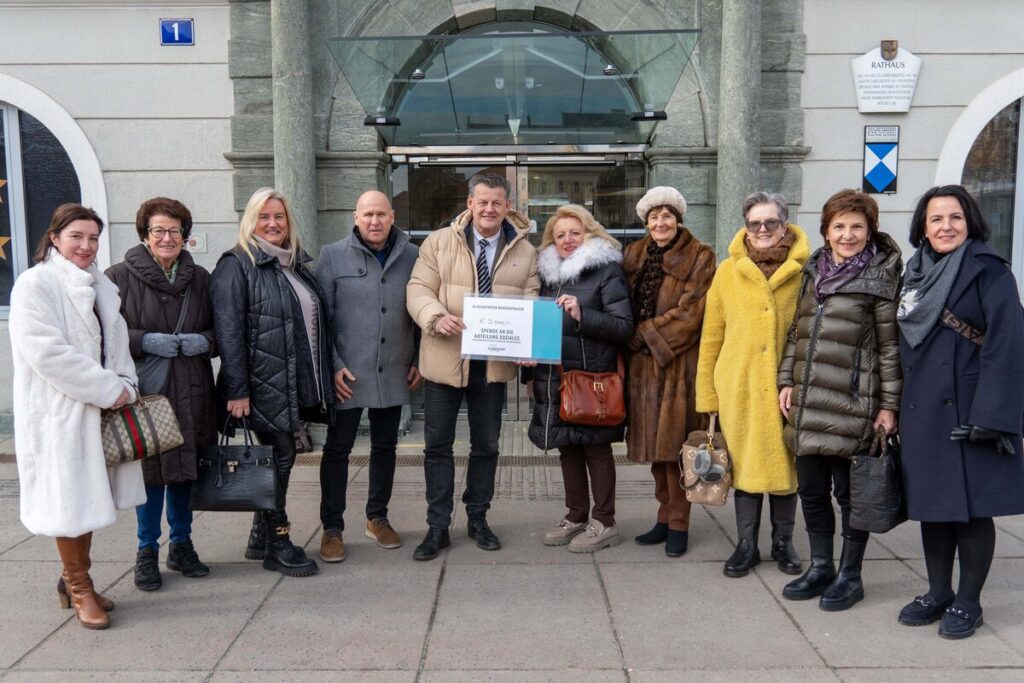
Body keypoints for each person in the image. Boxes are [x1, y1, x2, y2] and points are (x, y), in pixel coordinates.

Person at [895, 185, 1024, 639]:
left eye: (954, 217)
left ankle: (969, 601)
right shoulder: (914, 272)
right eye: (935, 219)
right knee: (934, 508)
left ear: (970, 222)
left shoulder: (989, 272)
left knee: (970, 511)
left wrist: (990, 418)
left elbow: (1007, 347)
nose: (945, 226)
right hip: (922, 411)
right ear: (922, 228)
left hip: (970, 415)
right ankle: (937, 592)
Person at [10, 204, 145, 629]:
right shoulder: (36, 284)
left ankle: (72, 582)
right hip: (59, 415)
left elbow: (114, 344)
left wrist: (126, 382)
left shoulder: (101, 286)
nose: (86, 246)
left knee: (87, 500)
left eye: (93, 238)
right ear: (55, 238)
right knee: (70, 502)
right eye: (76, 237)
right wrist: (111, 389)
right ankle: (80, 587)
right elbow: (48, 353)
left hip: (97, 411)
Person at [777, 188, 902, 611]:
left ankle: (851, 575)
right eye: (839, 226)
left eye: (857, 227)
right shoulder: (813, 273)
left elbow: (889, 349)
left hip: (854, 404)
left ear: (870, 232)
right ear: (826, 231)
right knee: (811, 491)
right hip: (808, 402)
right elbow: (797, 333)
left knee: (850, 496)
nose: (847, 235)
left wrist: (889, 406)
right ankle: (821, 566)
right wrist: (785, 381)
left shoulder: (881, 278)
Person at [406, 172, 539, 561]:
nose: (489, 209)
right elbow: (417, 289)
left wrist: (527, 341)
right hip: (445, 361)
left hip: (491, 366)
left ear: (507, 206)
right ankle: (437, 526)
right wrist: (434, 316)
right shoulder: (438, 242)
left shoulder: (524, 251)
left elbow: (531, 298)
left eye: (497, 202)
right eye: (482, 201)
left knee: (486, 446)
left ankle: (478, 518)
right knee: (437, 447)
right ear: (470, 203)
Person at [211, 187, 334, 578]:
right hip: (260, 384)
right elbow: (228, 331)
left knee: (281, 457)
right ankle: (278, 541)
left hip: (290, 381)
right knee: (280, 457)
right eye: (264, 217)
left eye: (279, 216)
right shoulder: (237, 264)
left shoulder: (293, 265)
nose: (273, 223)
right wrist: (237, 390)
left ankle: (259, 537)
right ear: (251, 221)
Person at [106, 197, 217, 591]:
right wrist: (145, 340)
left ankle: (182, 545)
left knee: (185, 469)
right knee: (152, 475)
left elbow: (221, 331)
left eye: (175, 230)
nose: (167, 237)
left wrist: (203, 342)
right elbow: (104, 336)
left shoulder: (201, 277)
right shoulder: (117, 277)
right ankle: (146, 551)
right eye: (159, 231)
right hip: (148, 393)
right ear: (145, 235)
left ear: (185, 236)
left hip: (192, 387)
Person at [696, 191, 808, 578]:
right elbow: (712, 334)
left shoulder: (804, 270)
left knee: (784, 466)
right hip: (739, 384)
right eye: (754, 223)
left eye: (770, 223)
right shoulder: (728, 271)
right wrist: (708, 393)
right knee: (743, 467)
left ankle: (783, 542)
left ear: (784, 225)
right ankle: (746, 544)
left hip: (787, 388)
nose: (762, 230)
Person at [315, 190, 421, 561]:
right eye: (367, 215)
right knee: (337, 450)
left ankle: (377, 517)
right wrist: (332, 364)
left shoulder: (412, 255)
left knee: (386, 447)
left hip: (394, 369)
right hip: (348, 373)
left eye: (381, 214)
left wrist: (419, 358)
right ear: (355, 217)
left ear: (392, 216)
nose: (374, 221)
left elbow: (423, 308)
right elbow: (319, 319)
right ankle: (332, 527)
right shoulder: (331, 256)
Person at [528, 205, 634, 552]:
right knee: (567, 448)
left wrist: (582, 314)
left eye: (575, 233)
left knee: (595, 449)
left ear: (589, 233)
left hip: (592, 378)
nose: (568, 240)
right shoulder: (547, 275)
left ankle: (605, 522)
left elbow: (623, 327)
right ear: (552, 242)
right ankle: (575, 516)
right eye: (560, 235)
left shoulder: (606, 271)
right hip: (554, 376)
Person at [624, 186, 716, 557]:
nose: (660, 223)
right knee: (657, 452)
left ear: (678, 219)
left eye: (667, 216)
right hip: (643, 368)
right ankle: (663, 517)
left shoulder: (700, 256)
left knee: (679, 449)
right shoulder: (634, 254)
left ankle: (680, 522)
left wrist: (642, 334)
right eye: (653, 217)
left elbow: (693, 313)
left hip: (678, 367)